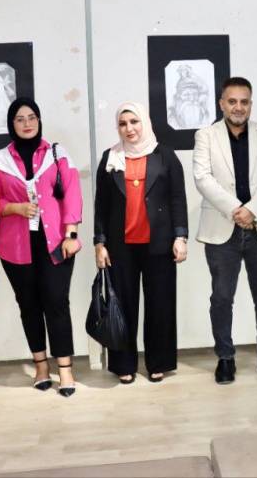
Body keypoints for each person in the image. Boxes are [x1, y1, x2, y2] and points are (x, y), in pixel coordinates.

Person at [193, 77, 257, 384]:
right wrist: (237, 209)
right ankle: (225, 357)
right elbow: (202, 178)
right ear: (222, 104)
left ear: (250, 104)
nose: (238, 107)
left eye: (244, 102)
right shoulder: (206, 135)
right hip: (223, 229)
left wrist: (252, 210)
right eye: (232, 101)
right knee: (222, 298)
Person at [0, 98, 83, 396]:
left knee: (57, 302)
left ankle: (65, 369)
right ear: (11, 124)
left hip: (55, 241)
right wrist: (14, 208)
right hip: (15, 245)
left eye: (32, 117)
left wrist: (71, 233)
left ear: (39, 120)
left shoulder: (57, 154)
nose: (27, 123)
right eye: (20, 119)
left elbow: (72, 192)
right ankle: (41, 366)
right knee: (29, 306)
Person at [94, 102, 188, 383]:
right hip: (120, 246)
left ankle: (159, 362)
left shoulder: (165, 155)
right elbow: (101, 204)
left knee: (160, 305)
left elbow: (177, 198)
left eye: (134, 122)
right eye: (123, 124)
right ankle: (123, 365)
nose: (129, 128)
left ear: (144, 122)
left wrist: (180, 236)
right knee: (122, 306)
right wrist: (100, 242)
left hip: (159, 244)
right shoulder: (110, 157)